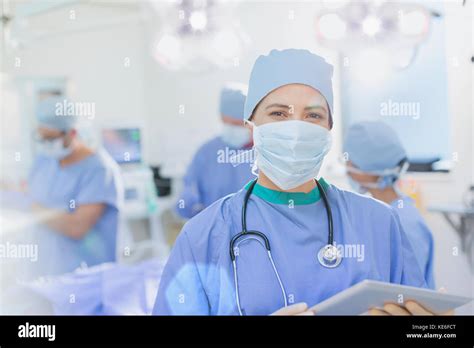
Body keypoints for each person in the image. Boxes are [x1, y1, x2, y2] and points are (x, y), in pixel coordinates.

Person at [153, 49, 442, 316]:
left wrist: (434, 331)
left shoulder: (380, 223)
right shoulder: (203, 236)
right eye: (279, 113)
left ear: (328, 128)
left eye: (313, 115)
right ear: (250, 124)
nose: (296, 129)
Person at [28, 96, 123, 276]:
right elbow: (32, 192)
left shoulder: (99, 170)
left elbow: (76, 227)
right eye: (41, 138)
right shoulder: (45, 160)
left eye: (50, 138)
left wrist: (31, 210)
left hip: (84, 276)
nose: (45, 144)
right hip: (45, 271)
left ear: (71, 133)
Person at [343, 121, 435, 289]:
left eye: (350, 162)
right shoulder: (379, 211)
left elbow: (409, 293)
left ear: (370, 170)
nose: (347, 169)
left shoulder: (405, 223)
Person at [176, 83, 254, 219]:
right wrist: (187, 201)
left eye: (237, 124)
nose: (232, 129)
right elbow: (189, 194)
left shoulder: (268, 154)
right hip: (217, 234)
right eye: (227, 123)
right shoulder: (207, 153)